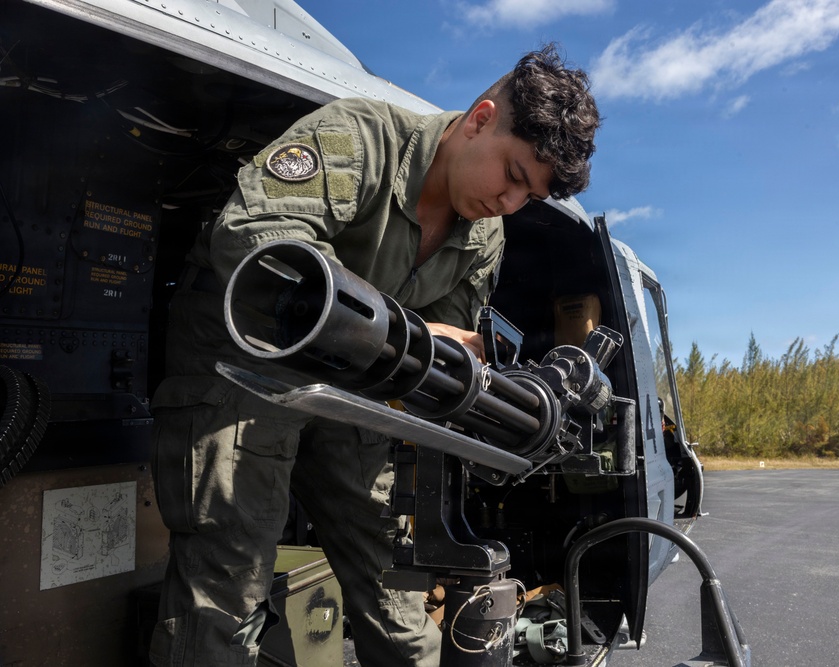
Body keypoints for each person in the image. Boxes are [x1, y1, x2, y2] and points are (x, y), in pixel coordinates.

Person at [148, 43, 600, 667]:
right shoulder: (361, 139)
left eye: (529, 197)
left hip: (356, 391)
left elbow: (456, 345)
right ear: (480, 119)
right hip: (245, 367)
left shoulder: (486, 235)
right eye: (513, 175)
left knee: (395, 590)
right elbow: (255, 239)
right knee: (226, 586)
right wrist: (411, 333)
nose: (509, 203)